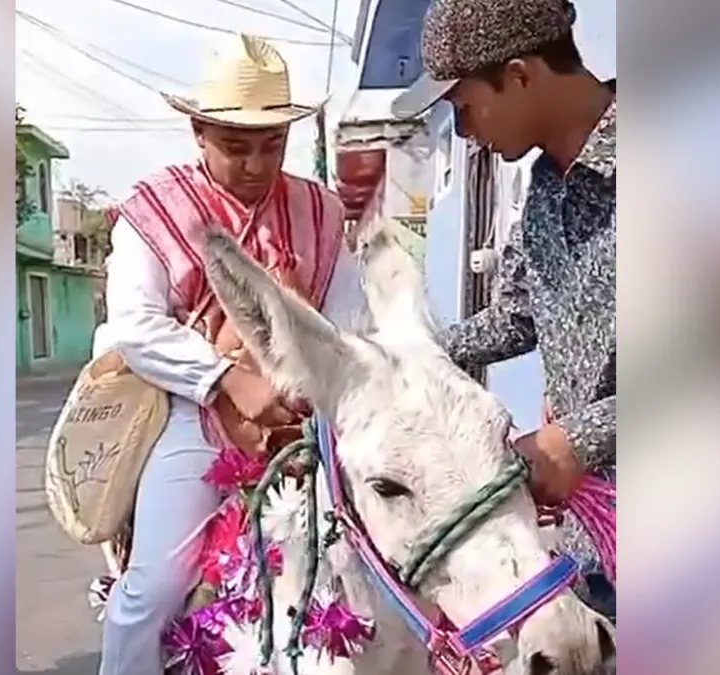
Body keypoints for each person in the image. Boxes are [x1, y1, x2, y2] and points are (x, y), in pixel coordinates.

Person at [89, 34, 366, 675]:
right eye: (236, 146)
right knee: (152, 593)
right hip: (194, 414)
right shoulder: (155, 208)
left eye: (272, 145)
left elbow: (351, 319)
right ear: (198, 131)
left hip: (309, 421)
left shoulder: (320, 210)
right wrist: (225, 380)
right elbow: (135, 326)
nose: (255, 164)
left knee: (345, 578)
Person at [393, 0, 616, 616]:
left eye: (464, 109)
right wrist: (405, 359)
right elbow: (518, 315)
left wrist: (579, 439)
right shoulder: (547, 187)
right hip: (595, 538)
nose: (465, 134)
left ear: (519, 75)